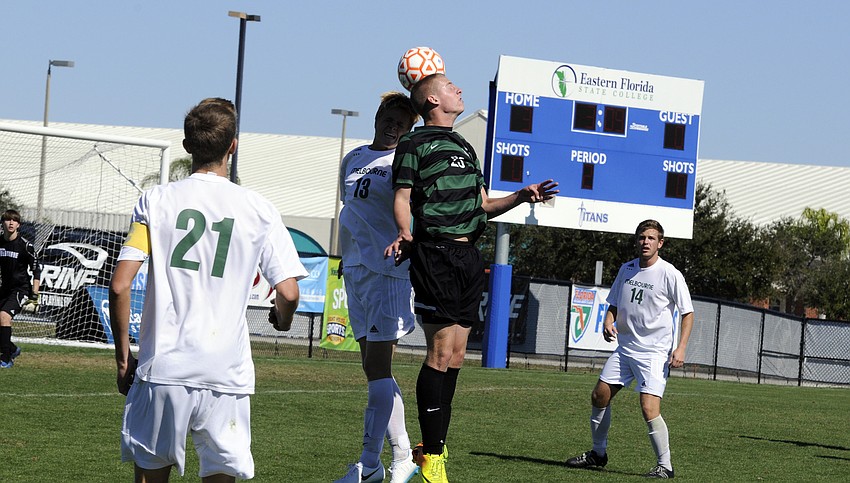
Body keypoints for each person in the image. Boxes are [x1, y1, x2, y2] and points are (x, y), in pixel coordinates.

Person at [109, 97, 308, 483]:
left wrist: (122, 359)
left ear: (186, 146)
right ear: (233, 145)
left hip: (163, 368)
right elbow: (289, 292)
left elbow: (120, 285)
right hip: (225, 373)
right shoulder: (258, 208)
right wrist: (282, 321)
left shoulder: (155, 201)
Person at [383, 73, 559, 483]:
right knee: (441, 353)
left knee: (459, 356)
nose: (459, 90)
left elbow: (481, 204)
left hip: (467, 255)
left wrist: (520, 196)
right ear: (430, 99)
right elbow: (402, 196)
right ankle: (433, 459)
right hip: (436, 252)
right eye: (449, 86)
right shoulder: (413, 142)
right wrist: (406, 233)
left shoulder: (464, 144)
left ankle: (434, 447)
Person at [333, 92, 422, 483]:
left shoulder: (404, 163)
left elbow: (413, 212)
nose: (395, 125)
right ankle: (402, 454)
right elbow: (350, 209)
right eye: (391, 116)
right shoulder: (352, 158)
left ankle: (371, 463)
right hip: (356, 271)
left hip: (388, 272)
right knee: (373, 369)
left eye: (404, 122)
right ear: (378, 115)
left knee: (378, 368)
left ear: (410, 129)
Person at [566, 219, 694, 479]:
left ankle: (665, 466)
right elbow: (613, 302)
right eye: (641, 237)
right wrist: (608, 319)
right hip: (625, 350)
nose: (645, 242)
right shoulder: (626, 269)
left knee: (649, 408)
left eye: (650, 238)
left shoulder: (670, 273)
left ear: (660, 243)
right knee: (599, 396)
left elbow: (688, 312)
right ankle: (598, 454)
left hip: (654, 354)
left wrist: (680, 348)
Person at [0, 209, 42, 368]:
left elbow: (37, 270)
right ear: (2, 223)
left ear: (18, 225)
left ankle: (6, 358)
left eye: (14, 220)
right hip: (4, 289)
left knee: (4, 316)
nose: (11, 223)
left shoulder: (25, 246)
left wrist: (35, 296)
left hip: (20, 290)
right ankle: (12, 349)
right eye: (7, 220)